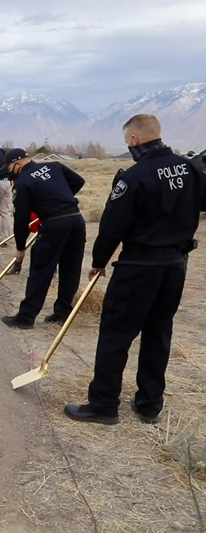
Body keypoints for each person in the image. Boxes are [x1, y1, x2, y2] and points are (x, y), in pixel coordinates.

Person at [65, 114, 206, 425]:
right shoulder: (193, 168)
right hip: (176, 265)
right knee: (158, 332)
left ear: (134, 140)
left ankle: (103, 405)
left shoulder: (134, 177)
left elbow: (112, 225)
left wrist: (99, 261)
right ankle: (149, 404)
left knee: (116, 334)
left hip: (139, 267)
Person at [0, 148, 86, 329]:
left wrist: (20, 248)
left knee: (41, 271)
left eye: (9, 168)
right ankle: (62, 314)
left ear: (16, 164)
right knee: (70, 269)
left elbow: (21, 219)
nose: (9, 172)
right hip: (76, 221)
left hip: (55, 225)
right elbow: (78, 181)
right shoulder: (54, 166)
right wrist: (62, 199)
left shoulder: (23, 182)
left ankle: (25, 318)